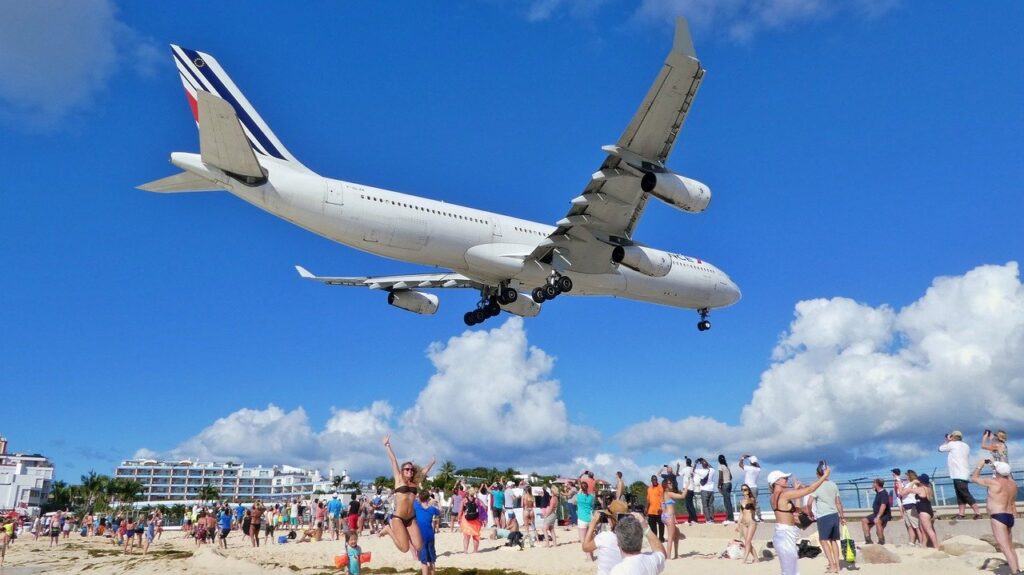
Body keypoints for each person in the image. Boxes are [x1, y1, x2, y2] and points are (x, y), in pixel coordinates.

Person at [768, 467, 831, 575]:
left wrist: (801, 507)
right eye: (784, 478)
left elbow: (789, 511)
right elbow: (809, 490)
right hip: (785, 535)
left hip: (783, 534)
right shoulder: (784, 495)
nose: (786, 480)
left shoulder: (773, 497)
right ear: (776, 481)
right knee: (790, 571)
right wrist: (825, 476)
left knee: (790, 571)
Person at [380, 431, 434, 555]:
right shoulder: (398, 479)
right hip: (398, 518)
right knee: (404, 548)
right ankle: (388, 530)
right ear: (403, 471)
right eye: (407, 469)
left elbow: (424, 472)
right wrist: (387, 445)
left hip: (411, 518)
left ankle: (406, 535)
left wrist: (432, 462)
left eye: (411, 469)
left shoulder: (414, 483)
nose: (409, 471)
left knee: (420, 546)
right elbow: (393, 461)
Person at [971, 459, 1018, 574]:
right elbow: (1003, 472)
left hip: (998, 516)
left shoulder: (993, 482)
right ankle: (1017, 569)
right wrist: (993, 465)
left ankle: (1016, 572)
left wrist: (979, 465)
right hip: (1009, 515)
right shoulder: (1013, 484)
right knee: (1010, 547)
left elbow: (974, 478)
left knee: (1004, 547)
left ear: (997, 472)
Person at [807, 465, 844, 573]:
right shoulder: (833, 484)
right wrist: (842, 516)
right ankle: (837, 566)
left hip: (824, 516)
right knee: (834, 540)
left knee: (823, 540)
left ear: (817, 474)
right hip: (834, 515)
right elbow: (838, 502)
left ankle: (832, 565)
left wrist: (810, 513)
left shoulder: (817, 485)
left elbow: (809, 503)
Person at [939, 430, 982, 519]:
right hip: (964, 472)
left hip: (957, 473)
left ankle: (978, 512)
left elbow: (940, 449)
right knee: (960, 495)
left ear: (953, 437)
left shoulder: (952, 444)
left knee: (965, 494)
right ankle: (961, 513)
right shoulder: (966, 446)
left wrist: (947, 440)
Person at [582, 500, 627, 575]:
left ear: (610, 519)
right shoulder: (631, 538)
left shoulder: (604, 537)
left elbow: (585, 547)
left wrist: (593, 524)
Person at [907, 474, 939, 548]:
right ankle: (924, 546)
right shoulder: (929, 488)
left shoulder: (921, 489)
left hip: (923, 511)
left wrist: (913, 482)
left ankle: (936, 547)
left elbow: (908, 490)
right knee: (924, 530)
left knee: (929, 530)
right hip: (928, 510)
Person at [892, 469, 921, 546]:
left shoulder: (913, 484)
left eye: (907, 475)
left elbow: (902, 493)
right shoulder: (908, 484)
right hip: (906, 506)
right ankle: (911, 541)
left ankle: (921, 541)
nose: (905, 476)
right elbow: (902, 492)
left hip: (911, 506)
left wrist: (899, 483)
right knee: (909, 526)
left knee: (916, 526)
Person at [415, 491, 440, 575]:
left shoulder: (417, 506)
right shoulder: (432, 509)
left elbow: (413, 499)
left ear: (419, 498)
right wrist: (437, 502)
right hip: (430, 534)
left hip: (421, 536)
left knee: (424, 560)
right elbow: (440, 512)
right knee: (432, 558)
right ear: (428, 499)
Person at [661, 478, 687, 559]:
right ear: (665, 485)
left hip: (665, 516)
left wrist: (665, 516)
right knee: (670, 537)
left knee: (677, 533)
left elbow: (662, 506)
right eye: (669, 483)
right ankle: (668, 557)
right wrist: (687, 486)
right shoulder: (669, 493)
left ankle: (676, 555)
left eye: (671, 483)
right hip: (669, 516)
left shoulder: (664, 494)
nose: (671, 484)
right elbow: (682, 496)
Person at [861, 478, 891, 544]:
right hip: (875, 513)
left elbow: (883, 506)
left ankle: (881, 541)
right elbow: (874, 489)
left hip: (884, 514)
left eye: (873, 483)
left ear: (876, 484)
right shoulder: (878, 491)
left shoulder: (884, 493)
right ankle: (868, 540)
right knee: (864, 520)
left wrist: (878, 517)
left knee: (878, 522)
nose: (872, 484)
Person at [736, 484, 758, 564]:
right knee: (747, 541)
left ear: (748, 490)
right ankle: (756, 558)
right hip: (744, 523)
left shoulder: (752, 499)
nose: (744, 491)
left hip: (751, 522)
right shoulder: (742, 501)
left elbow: (753, 504)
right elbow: (741, 513)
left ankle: (744, 559)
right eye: (742, 490)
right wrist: (738, 524)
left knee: (748, 541)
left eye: (745, 489)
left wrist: (748, 497)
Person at [576, 481, 597, 559]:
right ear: (587, 488)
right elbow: (593, 506)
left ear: (581, 488)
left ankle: (589, 557)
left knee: (583, 539)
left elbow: (576, 499)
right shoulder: (591, 497)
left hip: (582, 519)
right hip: (590, 518)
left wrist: (580, 490)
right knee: (590, 538)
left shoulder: (578, 496)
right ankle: (591, 555)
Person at [739, 455, 762, 522]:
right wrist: (752, 458)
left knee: (747, 503)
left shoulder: (748, 468)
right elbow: (758, 465)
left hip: (748, 487)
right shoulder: (758, 469)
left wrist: (743, 457)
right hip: (755, 487)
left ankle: (750, 517)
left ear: (750, 462)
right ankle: (759, 517)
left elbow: (740, 464)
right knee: (755, 502)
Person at [460, 486, 482, 553]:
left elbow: (460, 511)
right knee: (475, 536)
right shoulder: (477, 500)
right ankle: (475, 550)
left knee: (466, 536)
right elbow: (483, 508)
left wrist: (459, 518)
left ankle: (465, 551)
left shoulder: (464, 500)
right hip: (475, 519)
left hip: (466, 519)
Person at [697, 458, 717, 523]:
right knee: (711, 505)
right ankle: (712, 519)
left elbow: (693, 470)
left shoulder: (700, 471)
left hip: (704, 489)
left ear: (702, 465)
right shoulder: (711, 470)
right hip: (711, 490)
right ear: (707, 465)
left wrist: (696, 463)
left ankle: (708, 520)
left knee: (705, 506)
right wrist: (705, 460)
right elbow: (712, 467)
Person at [644, 475, 664, 542]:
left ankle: (661, 538)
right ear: (651, 480)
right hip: (651, 511)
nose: (655, 481)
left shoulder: (660, 487)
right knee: (652, 525)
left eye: (656, 479)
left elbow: (662, 498)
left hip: (659, 510)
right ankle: (655, 538)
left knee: (661, 524)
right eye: (653, 480)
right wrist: (646, 508)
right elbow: (648, 500)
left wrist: (662, 507)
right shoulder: (649, 488)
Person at [717, 455, 734, 525]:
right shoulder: (726, 466)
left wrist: (719, 485)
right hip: (729, 484)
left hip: (725, 484)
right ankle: (729, 518)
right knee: (728, 501)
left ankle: (730, 519)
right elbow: (731, 477)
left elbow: (720, 477)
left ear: (718, 460)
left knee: (726, 502)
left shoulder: (720, 466)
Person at [680, 459, 697, 524]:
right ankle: (690, 519)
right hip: (692, 488)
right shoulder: (692, 469)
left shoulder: (685, 469)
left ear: (686, 463)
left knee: (689, 505)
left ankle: (694, 519)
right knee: (689, 504)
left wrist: (678, 467)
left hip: (687, 488)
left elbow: (678, 474)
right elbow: (692, 469)